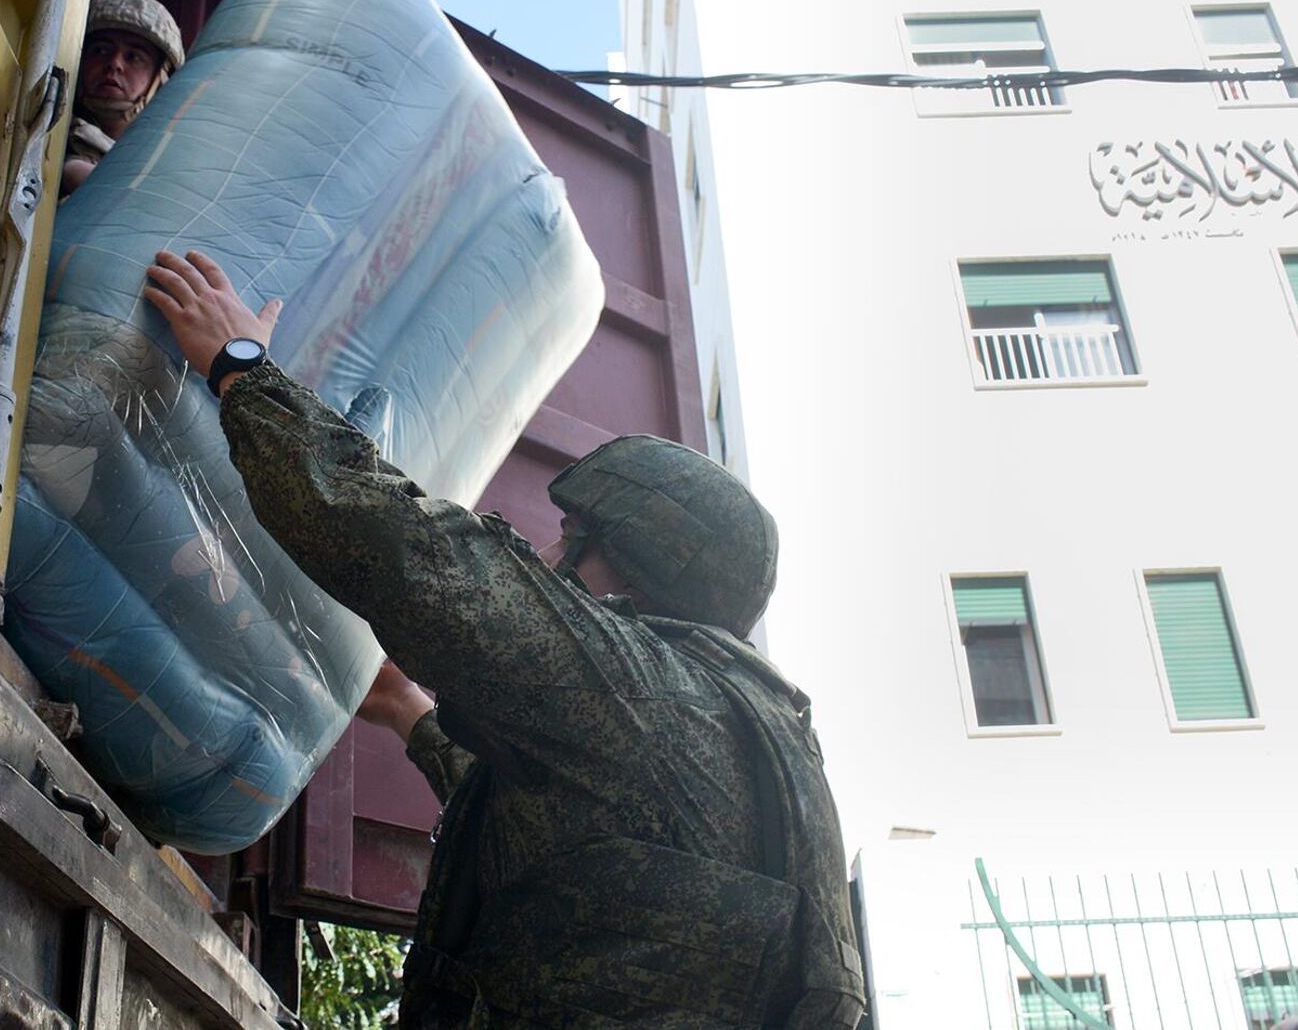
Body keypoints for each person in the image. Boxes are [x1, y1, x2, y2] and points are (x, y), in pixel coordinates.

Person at [143, 248, 865, 1030]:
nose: (549, 558)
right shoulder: (741, 750)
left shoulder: (639, 690)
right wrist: (413, 715)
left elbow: (409, 554)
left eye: (568, 539)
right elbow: (569, 836)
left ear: (627, 572)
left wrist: (241, 366)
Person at [62, 0, 185, 196]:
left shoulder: (169, 158)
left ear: (160, 80)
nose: (114, 64)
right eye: (101, 50)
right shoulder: (48, 133)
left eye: (133, 57)